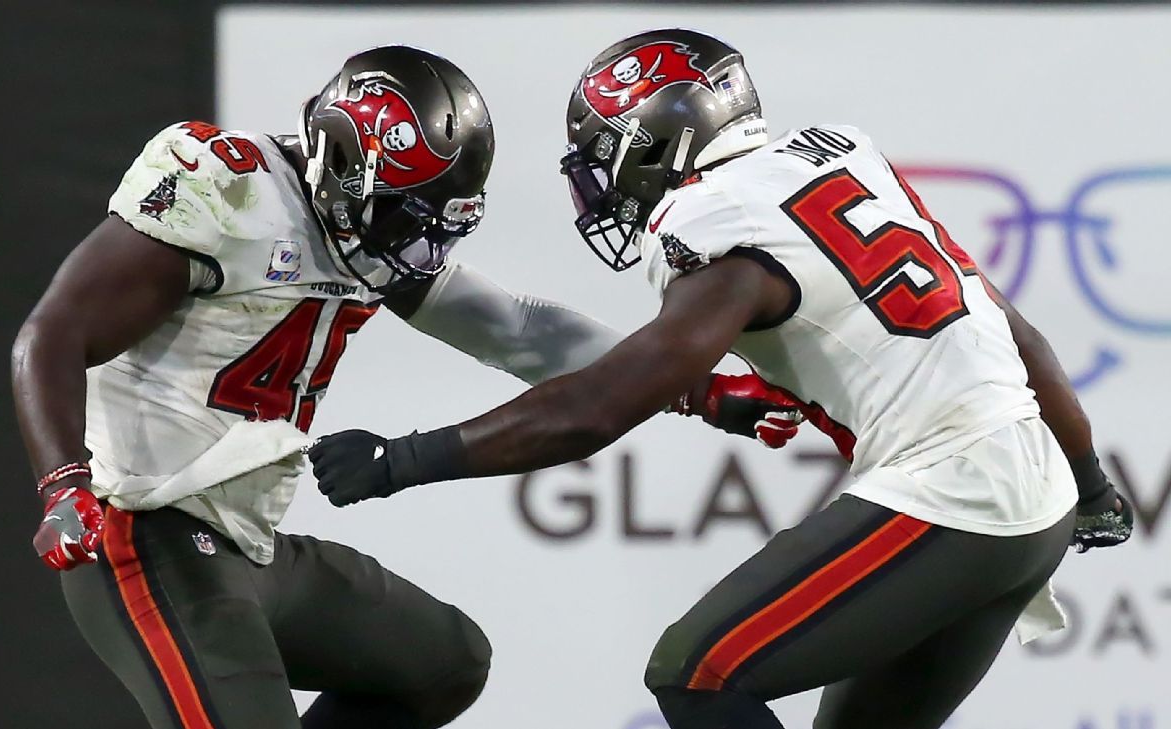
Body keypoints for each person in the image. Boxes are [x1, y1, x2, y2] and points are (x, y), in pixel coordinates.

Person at [307, 29, 1135, 729]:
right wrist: (1092, 484)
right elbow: (1015, 332)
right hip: (1034, 500)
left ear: (661, 138)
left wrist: (405, 458)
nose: (601, 182)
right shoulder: (841, 159)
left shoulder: (719, 223)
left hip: (956, 493)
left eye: (607, 155)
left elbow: (597, 408)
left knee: (695, 670)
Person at [12, 44, 801, 729]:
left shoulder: (366, 226)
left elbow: (519, 330)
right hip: (145, 531)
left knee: (441, 659)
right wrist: (61, 483)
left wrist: (698, 387)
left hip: (245, 543)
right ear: (338, 167)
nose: (416, 244)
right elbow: (52, 334)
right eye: (402, 217)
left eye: (433, 221)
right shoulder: (228, 191)